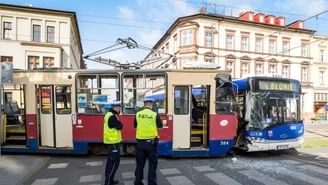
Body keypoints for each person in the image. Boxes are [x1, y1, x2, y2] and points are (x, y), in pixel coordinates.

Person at [134, 99, 163, 185]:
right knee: (152, 165)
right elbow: (160, 127)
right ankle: (151, 183)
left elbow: (135, 127)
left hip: (140, 143)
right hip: (151, 144)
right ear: (151, 105)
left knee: (140, 165)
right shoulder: (155, 114)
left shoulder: (138, 114)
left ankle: (138, 182)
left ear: (144, 105)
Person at [103, 101, 123, 185]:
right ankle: (108, 182)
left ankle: (110, 180)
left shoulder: (109, 114)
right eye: (119, 108)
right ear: (116, 108)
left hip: (111, 142)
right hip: (113, 142)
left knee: (110, 161)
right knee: (114, 162)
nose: (119, 110)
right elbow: (120, 126)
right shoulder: (112, 116)